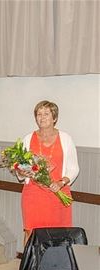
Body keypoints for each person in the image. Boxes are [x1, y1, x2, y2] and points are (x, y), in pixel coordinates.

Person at [18, 100, 79, 244]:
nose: (42, 117)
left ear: (55, 118)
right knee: (30, 232)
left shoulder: (65, 138)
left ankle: (55, 265)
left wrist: (61, 182)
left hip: (58, 193)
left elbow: (74, 168)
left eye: (46, 114)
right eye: (39, 114)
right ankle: (31, 266)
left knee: (59, 234)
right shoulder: (28, 139)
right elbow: (20, 167)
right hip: (33, 194)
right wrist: (22, 173)